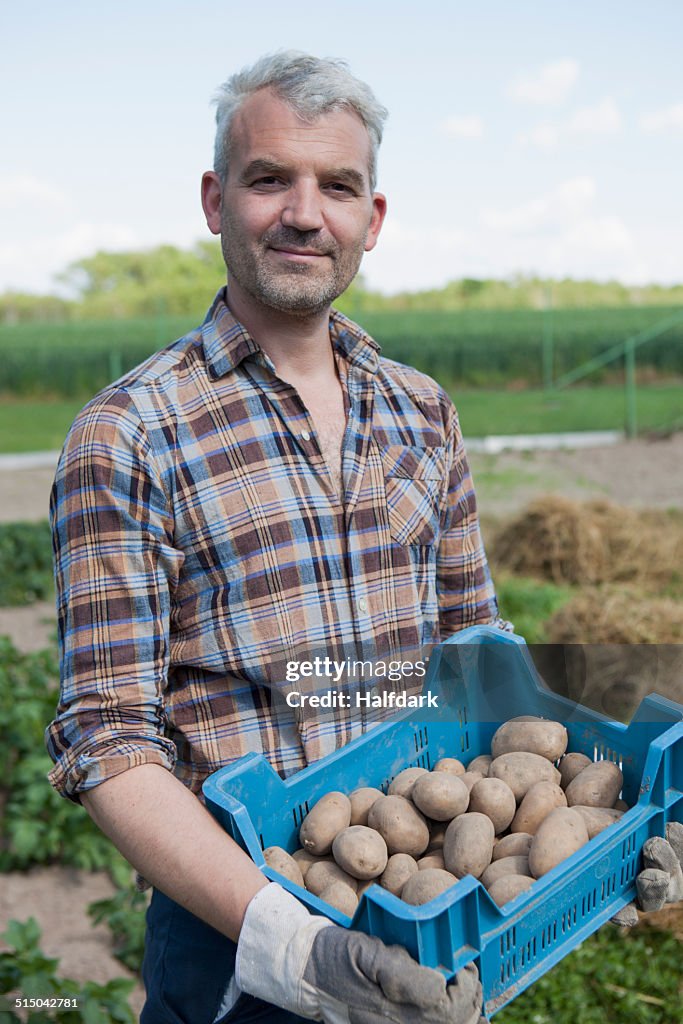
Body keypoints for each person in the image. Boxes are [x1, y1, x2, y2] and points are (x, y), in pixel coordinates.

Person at [45, 51, 681, 1024]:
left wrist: (614, 817)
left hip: (441, 910)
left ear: (370, 219)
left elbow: (481, 659)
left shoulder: (423, 411)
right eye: (270, 179)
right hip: (239, 939)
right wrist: (292, 945)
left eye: (336, 185)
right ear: (216, 200)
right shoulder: (128, 434)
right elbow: (107, 741)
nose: (305, 212)